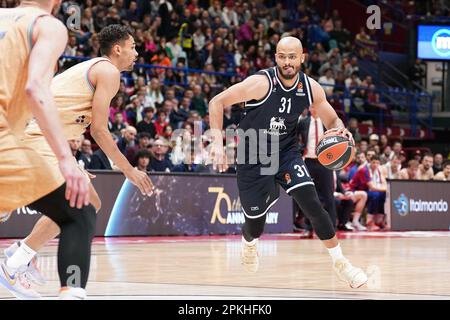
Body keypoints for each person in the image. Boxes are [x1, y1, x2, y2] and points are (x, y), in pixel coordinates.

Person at [3, 24, 154, 299]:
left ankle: (18, 257)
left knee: (87, 203)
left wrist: (69, 162)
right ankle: (14, 264)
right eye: (133, 46)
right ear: (117, 48)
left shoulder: (93, 69)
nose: (136, 52)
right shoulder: (108, 71)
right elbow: (98, 130)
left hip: (40, 138)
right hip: (34, 139)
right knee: (79, 206)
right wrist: (129, 169)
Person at [209, 36, 368, 288]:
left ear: (302, 58)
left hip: (286, 152)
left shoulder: (311, 87)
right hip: (254, 156)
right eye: (281, 56)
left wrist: (340, 129)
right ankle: (249, 243)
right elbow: (216, 102)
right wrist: (217, 143)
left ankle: (342, 264)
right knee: (255, 225)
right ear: (275, 57)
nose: (287, 62)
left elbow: (332, 118)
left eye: (292, 57)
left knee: (313, 204)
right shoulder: (260, 83)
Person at [0, 0, 94, 300]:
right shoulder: (47, 25)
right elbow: (35, 89)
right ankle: (70, 293)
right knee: (79, 211)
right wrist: (66, 159)